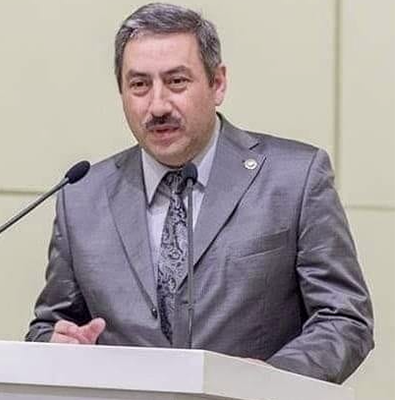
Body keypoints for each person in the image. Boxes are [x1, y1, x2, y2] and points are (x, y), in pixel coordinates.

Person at [25, 2, 373, 384]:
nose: (158, 105)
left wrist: (272, 379)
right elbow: (49, 326)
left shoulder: (294, 179)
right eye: (139, 85)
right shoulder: (82, 196)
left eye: (176, 81)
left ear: (217, 83)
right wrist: (57, 344)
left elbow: (344, 319)